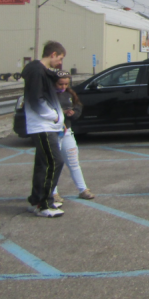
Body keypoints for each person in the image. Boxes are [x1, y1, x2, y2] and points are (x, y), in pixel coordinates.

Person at [22, 40, 66, 217]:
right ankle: (45, 204)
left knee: (42, 163)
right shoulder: (37, 72)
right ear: (53, 54)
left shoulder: (42, 71)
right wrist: (54, 116)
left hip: (48, 125)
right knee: (55, 161)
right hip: (43, 125)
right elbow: (36, 100)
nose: (60, 62)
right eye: (60, 58)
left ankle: (36, 200)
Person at [52, 71, 95, 203]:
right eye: (60, 84)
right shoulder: (49, 95)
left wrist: (73, 113)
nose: (63, 87)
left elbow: (78, 108)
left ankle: (83, 190)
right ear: (54, 82)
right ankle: (53, 193)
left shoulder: (70, 94)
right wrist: (61, 113)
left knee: (73, 162)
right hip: (52, 132)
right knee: (54, 163)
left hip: (66, 131)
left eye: (66, 84)